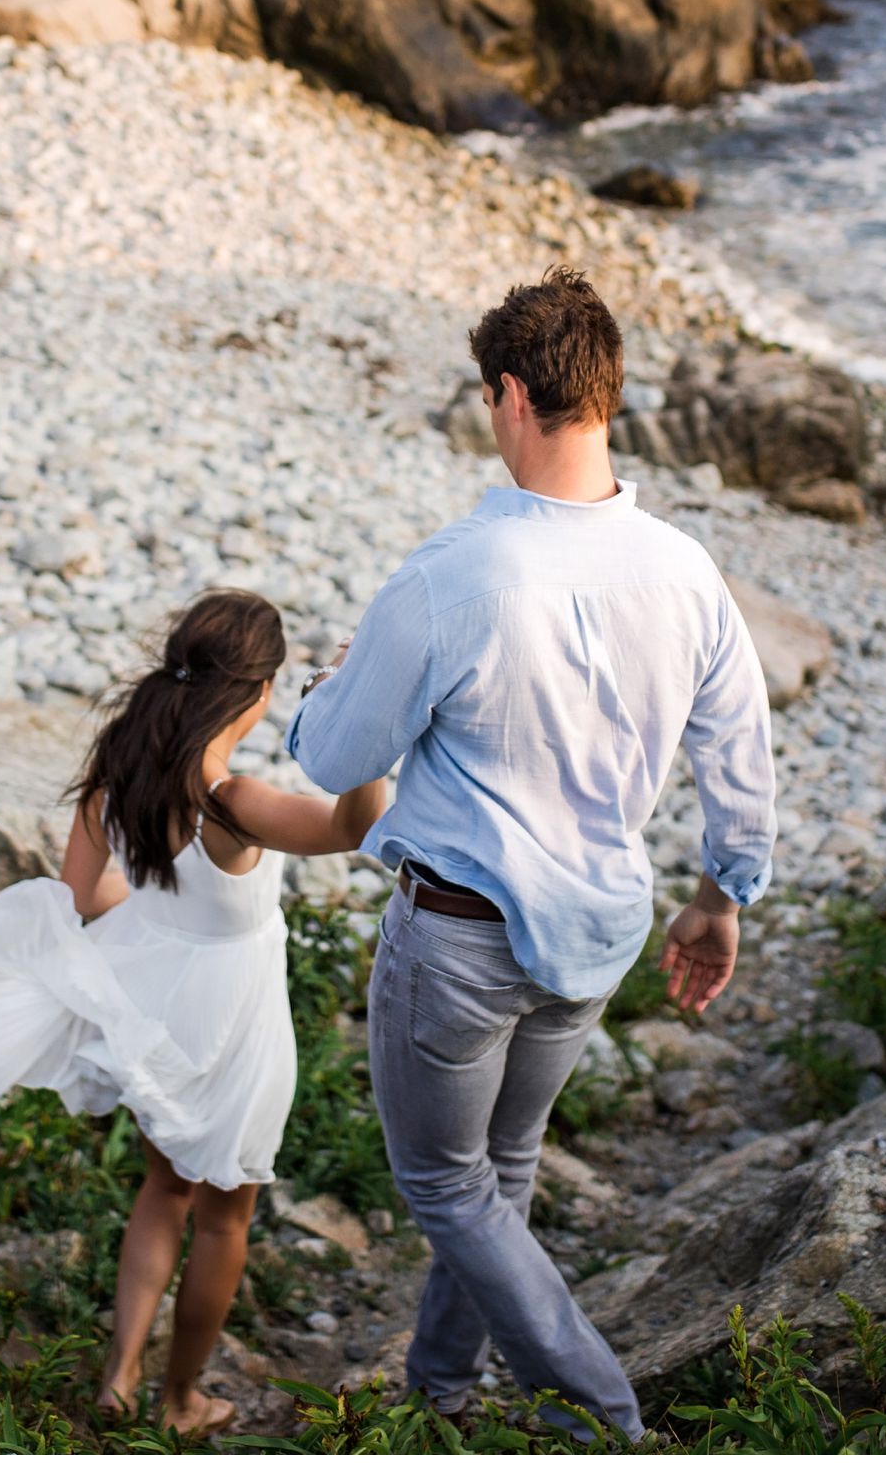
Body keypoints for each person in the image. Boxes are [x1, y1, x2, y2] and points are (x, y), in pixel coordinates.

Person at [286, 266, 778, 1442]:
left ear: (511, 395)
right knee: (499, 1174)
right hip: (598, 934)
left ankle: (602, 1412)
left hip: (459, 938)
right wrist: (721, 898)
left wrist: (321, 692)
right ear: (605, 396)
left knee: (445, 1188)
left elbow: (334, 755)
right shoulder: (684, 570)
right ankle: (442, 1392)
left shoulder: (455, 572)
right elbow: (740, 756)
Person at [0, 588, 390, 1435]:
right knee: (224, 1214)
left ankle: (117, 1376)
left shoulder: (127, 763)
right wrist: (365, 724)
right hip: (232, 1022)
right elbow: (350, 827)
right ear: (259, 693)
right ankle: (181, 1398)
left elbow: (83, 892)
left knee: (163, 1186)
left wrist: (160, 926)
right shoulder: (231, 799)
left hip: (152, 1011)